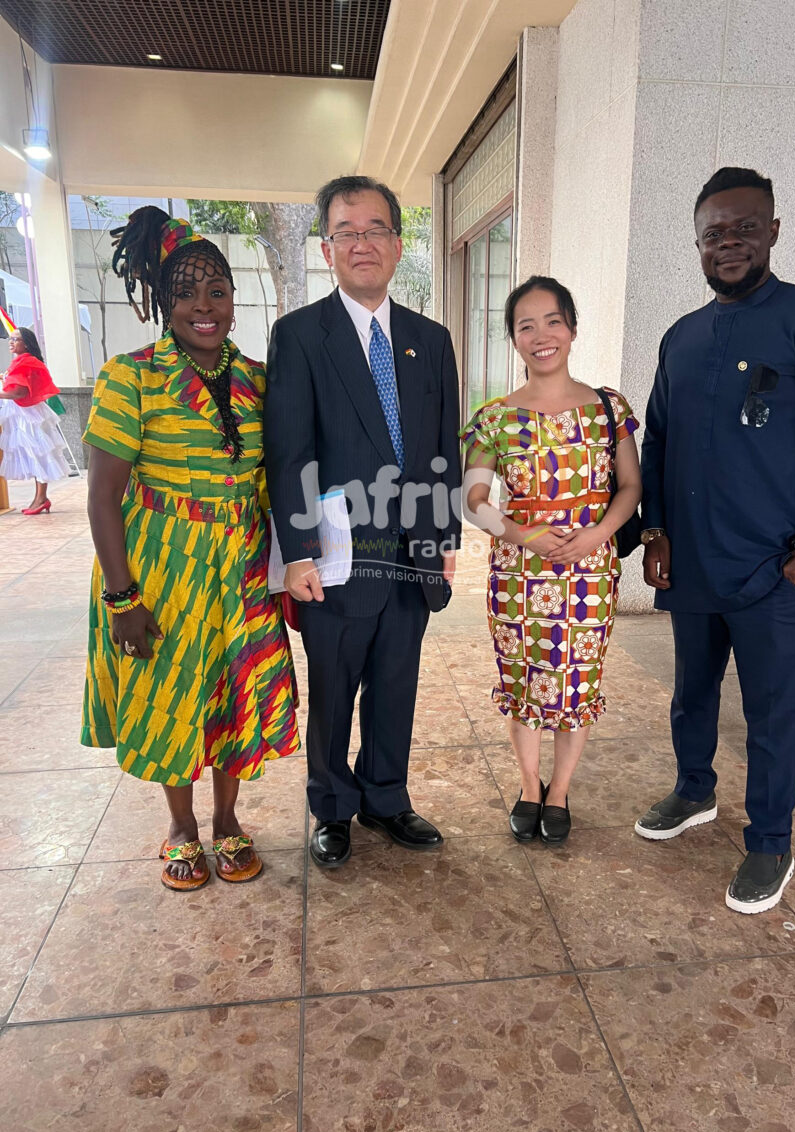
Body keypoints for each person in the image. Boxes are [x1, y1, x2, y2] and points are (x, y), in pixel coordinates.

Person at [637, 167, 795, 913]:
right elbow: (660, 439)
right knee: (691, 694)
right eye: (714, 233)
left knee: (774, 710)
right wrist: (656, 530)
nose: (728, 244)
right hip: (693, 562)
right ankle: (694, 790)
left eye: (743, 228)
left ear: (772, 230)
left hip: (775, 567)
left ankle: (770, 841)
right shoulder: (682, 336)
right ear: (697, 243)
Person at [81, 206, 300, 891]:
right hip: (161, 569)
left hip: (239, 569)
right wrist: (123, 597)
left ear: (234, 301)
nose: (203, 308)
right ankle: (182, 827)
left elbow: (278, 481)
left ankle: (229, 820)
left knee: (236, 694)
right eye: (186, 294)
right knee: (171, 693)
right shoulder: (132, 377)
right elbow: (102, 497)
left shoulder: (262, 382)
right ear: (162, 302)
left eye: (217, 292)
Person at [264, 175, 461, 868]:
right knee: (334, 688)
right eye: (346, 231)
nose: (361, 243)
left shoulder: (430, 340)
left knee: (396, 682)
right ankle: (332, 807)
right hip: (337, 554)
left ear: (399, 244)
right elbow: (290, 454)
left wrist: (442, 537)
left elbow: (444, 448)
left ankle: (385, 797)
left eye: (374, 229)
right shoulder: (299, 336)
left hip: (411, 552)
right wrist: (297, 553)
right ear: (325, 248)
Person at [461, 276, 642, 845]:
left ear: (572, 328)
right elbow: (471, 501)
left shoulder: (610, 409)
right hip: (521, 573)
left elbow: (631, 486)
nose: (542, 336)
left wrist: (598, 536)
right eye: (526, 325)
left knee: (576, 684)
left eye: (552, 322)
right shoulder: (494, 417)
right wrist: (524, 534)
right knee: (524, 681)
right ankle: (529, 785)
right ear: (513, 339)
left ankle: (560, 790)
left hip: (589, 572)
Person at [0, 326, 69, 513]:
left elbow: (20, 391)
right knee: (36, 455)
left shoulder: (26, 362)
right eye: (10, 339)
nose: (11, 342)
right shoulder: (23, 361)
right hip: (25, 414)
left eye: (16, 339)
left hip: (28, 415)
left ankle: (41, 499)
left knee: (37, 455)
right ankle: (40, 498)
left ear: (27, 344)